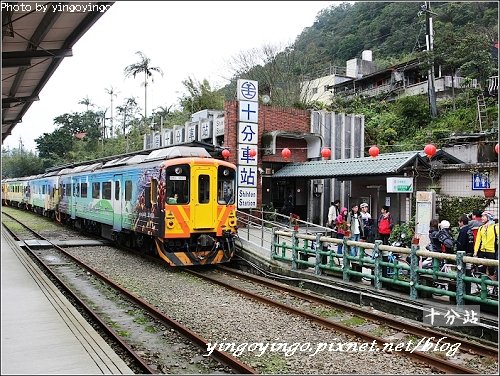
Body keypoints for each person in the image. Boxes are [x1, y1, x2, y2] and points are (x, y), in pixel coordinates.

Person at [474, 211, 499, 280]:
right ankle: (482, 287)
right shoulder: (481, 228)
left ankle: (491, 286)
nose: (482, 218)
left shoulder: (495, 227)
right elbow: (478, 241)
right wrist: (475, 252)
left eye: (484, 216)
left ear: (488, 217)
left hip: (491, 251)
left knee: (491, 271)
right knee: (481, 271)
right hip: (482, 251)